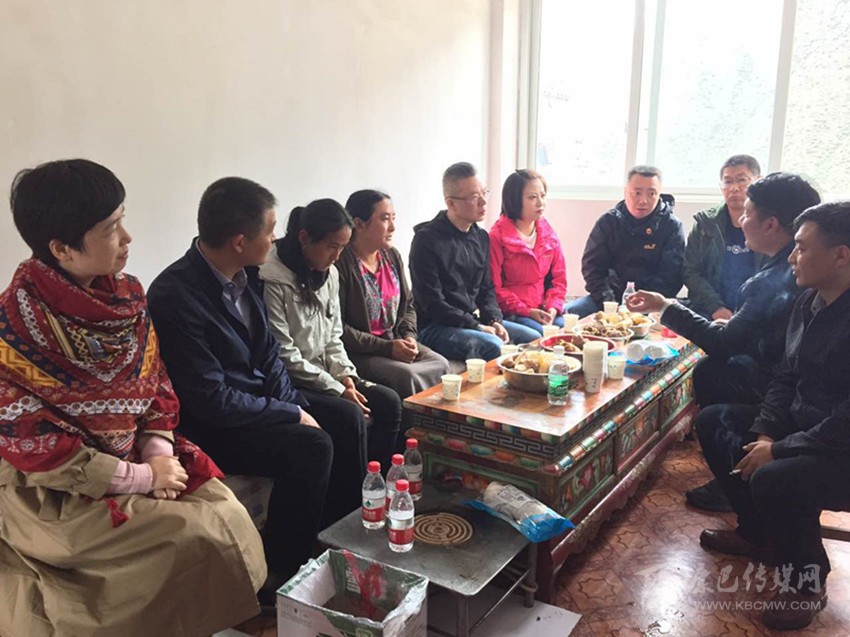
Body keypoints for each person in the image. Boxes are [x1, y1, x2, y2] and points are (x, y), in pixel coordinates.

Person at [0, 160, 265, 637]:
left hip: (133, 454)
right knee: (190, 533)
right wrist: (140, 477)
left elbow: (155, 382)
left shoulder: (126, 299)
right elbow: (34, 446)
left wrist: (158, 451)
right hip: (59, 485)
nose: (127, 238)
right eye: (110, 228)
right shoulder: (13, 329)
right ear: (61, 248)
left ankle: (221, 616)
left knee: (224, 510)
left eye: (122, 220)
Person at [147, 177, 335, 600]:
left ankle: (332, 538)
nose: (275, 239)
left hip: (255, 403)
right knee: (312, 446)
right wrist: (290, 413)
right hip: (214, 425)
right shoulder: (175, 295)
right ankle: (281, 575)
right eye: (270, 230)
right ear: (239, 241)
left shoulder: (247, 275)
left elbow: (269, 355)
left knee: (339, 416)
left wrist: (295, 404)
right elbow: (211, 400)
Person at [691, 201, 850, 631]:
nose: (792, 257)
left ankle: (806, 583)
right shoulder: (809, 302)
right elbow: (785, 376)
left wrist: (779, 450)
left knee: (775, 477)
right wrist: (765, 431)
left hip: (842, 448)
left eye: (802, 248)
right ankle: (758, 533)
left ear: (841, 255)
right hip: (806, 427)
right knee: (715, 423)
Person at [627, 173, 820, 512]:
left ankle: (742, 486)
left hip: (796, 395)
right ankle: (735, 471)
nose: (741, 221)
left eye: (747, 213)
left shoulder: (777, 278)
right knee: (712, 369)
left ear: (771, 224)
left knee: (712, 372)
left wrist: (665, 306)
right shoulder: (793, 264)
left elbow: (724, 343)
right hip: (792, 377)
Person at [259, 198, 402, 469]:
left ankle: (380, 481)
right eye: (331, 246)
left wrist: (346, 376)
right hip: (294, 381)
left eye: (343, 247)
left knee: (389, 402)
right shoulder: (272, 279)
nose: (337, 256)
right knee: (349, 415)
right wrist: (336, 388)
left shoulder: (330, 274)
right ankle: (354, 494)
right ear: (304, 238)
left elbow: (333, 337)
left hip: (326, 373)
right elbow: (284, 353)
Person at [409, 162, 539, 361]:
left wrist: (494, 320)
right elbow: (432, 303)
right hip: (435, 326)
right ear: (451, 203)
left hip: (468, 320)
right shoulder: (426, 240)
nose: (483, 202)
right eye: (474, 197)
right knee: (493, 346)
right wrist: (476, 326)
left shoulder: (480, 237)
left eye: (484, 193)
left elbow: (487, 290)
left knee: (534, 338)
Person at [336, 189, 450, 398]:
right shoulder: (341, 263)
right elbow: (339, 328)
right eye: (385, 219)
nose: (393, 227)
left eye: (393, 218)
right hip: (363, 351)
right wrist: (387, 348)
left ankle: (439, 419)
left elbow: (408, 305)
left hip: (395, 339)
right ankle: (413, 420)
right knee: (407, 376)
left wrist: (409, 336)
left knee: (441, 364)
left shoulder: (391, 255)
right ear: (359, 224)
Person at [566, 166, 685, 318]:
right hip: (609, 300)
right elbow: (592, 268)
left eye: (651, 194)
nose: (643, 200)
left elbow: (672, 276)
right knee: (571, 313)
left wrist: (645, 304)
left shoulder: (671, 226)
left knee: (679, 321)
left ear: (659, 194)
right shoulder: (608, 222)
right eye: (637, 193)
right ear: (625, 192)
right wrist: (609, 304)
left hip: (653, 304)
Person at [684, 155, 765, 319]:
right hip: (711, 311)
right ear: (721, 187)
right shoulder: (705, 224)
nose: (734, 188)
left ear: (758, 181)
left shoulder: (769, 225)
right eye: (728, 182)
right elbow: (691, 272)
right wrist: (716, 308)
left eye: (742, 180)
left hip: (757, 315)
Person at [489, 169, 567, 335]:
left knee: (569, 329)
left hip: (543, 308)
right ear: (514, 200)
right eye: (532, 197)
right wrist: (527, 311)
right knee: (540, 336)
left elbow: (558, 280)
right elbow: (494, 288)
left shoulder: (548, 233)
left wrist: (553, 307)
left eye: (543, 196)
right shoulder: (497, 237)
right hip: (513, 312)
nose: (540, 203)